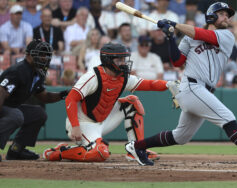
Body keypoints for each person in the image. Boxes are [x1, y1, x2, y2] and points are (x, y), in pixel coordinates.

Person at [125, 2, 237, 169]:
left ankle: (136, 147)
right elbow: (177, 61)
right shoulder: (190, 37)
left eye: (228, 15)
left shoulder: (227, 35)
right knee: (227, 117)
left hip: (203, 91)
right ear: (212, 15)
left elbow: (203, 35)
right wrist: (170, 37)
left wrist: (176, 25)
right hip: (191, 87)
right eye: (223, 14)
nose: (227, 18)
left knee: (181, 137)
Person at [42, 42, 178, 162]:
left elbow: (148, 84)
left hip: (103, 120)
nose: (123, 63)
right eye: (119, 59)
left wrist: (168, 84)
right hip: (82, 122)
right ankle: (59, 152)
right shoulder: (93, 76)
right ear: (108, 60)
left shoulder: (123, 77)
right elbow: (71, 98)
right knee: (100, 153)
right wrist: (76, 126)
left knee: (132, 102)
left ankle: (136, 149)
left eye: (124, 59)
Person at [0, 39, 69, 160]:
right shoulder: (18, 70)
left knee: (38, 114)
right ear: (29, 55)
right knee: (16, 116)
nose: (44, 58)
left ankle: (17, 150)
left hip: (11, 107)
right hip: (3, 106)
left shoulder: (37, 73)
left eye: (46, 55)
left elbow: (44, 96)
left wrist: (63, 94)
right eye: (41, 54)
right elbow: (1, 92)